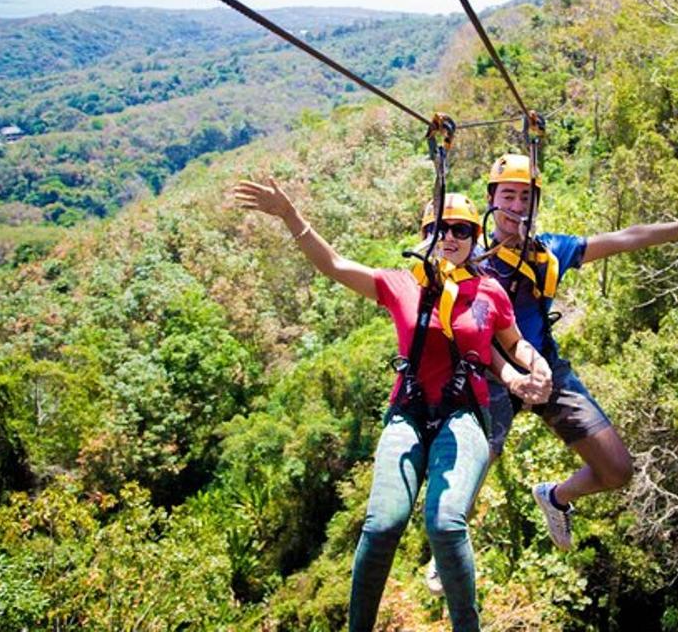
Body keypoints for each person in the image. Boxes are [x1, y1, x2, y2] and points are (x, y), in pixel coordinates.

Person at [234, 178, 552, 632]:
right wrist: (290, 215)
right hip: (409, 410)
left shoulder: (488, 292)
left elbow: (514, 343)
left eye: (462, 230)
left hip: (465, 413)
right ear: (426, 234)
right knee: (382, 525)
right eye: (440, 228)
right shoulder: (401, 284)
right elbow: (335, 265)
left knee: (444, 523)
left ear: (473, 240)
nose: (450, 237)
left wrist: (533, 367)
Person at [482, 154, 678, 551]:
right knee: (479, 462)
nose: (516, 207)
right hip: (492, 371)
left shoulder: (550, 251)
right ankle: (446, 547)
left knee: (617, 469)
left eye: (525, 198)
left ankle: (555, 497)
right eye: (508, 196)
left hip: (546, 369)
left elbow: (627, 237)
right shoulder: (472, 260)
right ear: (490, 199)